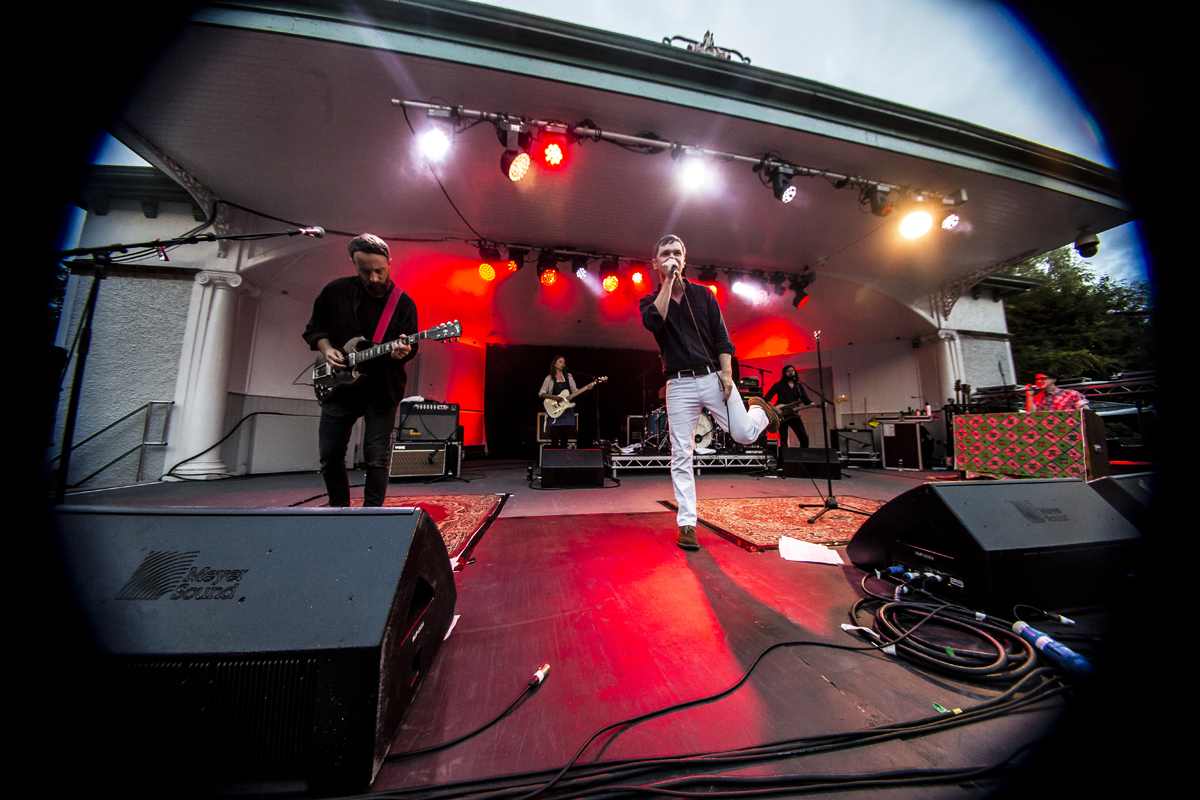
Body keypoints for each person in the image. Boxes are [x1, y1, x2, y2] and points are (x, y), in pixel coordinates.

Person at [639, 234, 779, 551]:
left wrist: (727, 374)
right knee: (680, 455)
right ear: (656, 262)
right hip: (678, 384)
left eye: (677, 253)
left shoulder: (704, 296)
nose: (672, 257)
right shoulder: (649, 301)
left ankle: (759, 412)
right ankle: (687, 524)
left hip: (713, 375)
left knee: (744, 435)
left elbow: (722, 339)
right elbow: (654, 323)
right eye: (665, 254)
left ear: (685, 259)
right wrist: (667, 282)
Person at [303, 233, 418, 506]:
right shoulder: (335, 291)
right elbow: (315, 328)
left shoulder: (403, 303)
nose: (374, 278)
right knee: (330, 455)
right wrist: (327, 349)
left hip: (382, 388)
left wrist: (403, 351)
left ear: (390, 263)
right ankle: (339, 510)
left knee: (376, 456)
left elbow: (410, 345)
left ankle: (371, 515)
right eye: (365, 271)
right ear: (353, 264)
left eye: (379, 270)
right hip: (339, 387)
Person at [764, 364, 812, 447]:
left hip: (794, 415)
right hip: (782, 414)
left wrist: (814, 404)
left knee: (804, 438)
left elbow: (806, 399)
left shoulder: (798, 386)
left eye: (792, 371)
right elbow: (767, 397)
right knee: (783, 439)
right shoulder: (779, 385)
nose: (791, 372)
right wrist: (775, 409)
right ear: (784, 373)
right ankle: (784, 458)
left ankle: (803, 457)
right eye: (788, 371)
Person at [538, 355, 577, 449]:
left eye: (563, 362)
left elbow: (575, 391)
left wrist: (587, 388)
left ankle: (563, 462)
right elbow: (541, 393)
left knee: (565, 440)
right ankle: (554, 462)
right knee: (555, 439)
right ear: (555, 364)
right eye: (560, 362)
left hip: (567, 411)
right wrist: (554, 397)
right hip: (555, 411)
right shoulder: (549, 378)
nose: (562, 364)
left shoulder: (569, 377)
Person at [1024, 370, 1089, 412]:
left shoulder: (1071, 394)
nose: (1039, 381)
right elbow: (1030, 416)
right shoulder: (1036, 398)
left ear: (1054, 380)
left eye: (1042, 378)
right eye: (1037, 379)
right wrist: (1029, 395)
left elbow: (1086, 412)